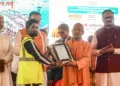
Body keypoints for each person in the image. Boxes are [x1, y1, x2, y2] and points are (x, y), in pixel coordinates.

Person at [13, 11, 47, 86]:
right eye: (34, 20)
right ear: (28, 20)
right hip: (26, 71)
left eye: (39, 20)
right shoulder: (21, 32)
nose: (37, 22)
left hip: (40, 70)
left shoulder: (43, 34)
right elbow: (15, 50)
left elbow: (45, 51)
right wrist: (29, 52)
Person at [91, 10, 120, 86]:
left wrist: (114, 50)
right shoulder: (97, 32)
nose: (109, 19)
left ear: (114, 18)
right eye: (106, 17)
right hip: (101, 69)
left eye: (111, 17)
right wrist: (100, 52)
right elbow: (91, 51)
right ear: (102, 19)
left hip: (117, 69)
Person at [0, 15, 13, 86]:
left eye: (3, 22)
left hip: (4, 67)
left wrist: (3, 61)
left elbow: (11, 52)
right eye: (0, 22)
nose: (1, 24)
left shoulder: (6, 37)